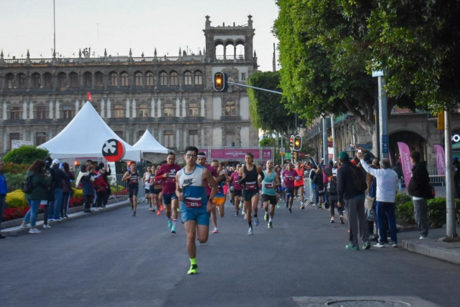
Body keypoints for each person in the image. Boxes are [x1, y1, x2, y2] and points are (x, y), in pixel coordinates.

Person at [176, 146, 217, 275]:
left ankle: (200, 238)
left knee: (203, 238)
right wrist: (178, 194)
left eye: (194, 156)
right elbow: (177, 189)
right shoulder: (179, 174)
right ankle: (193, 264)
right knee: (190, 236)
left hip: (201, 208)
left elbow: (214, 186)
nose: (191, 158)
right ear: (184, 157)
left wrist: (210, 202)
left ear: (197, 157)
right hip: (187, 208)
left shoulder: (204, 172)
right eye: (189, 155)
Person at [358, 152, 399, 248]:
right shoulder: (394, 174)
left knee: (380, 221)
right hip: (391, 200)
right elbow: (396, 184)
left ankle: (381, 241)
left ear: (381, 166)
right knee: (391, 220)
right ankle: (394, 241)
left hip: (381, 200)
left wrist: (361, 159)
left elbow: (367, 168)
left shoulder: (379, 173)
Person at [337, 151, 371, 251]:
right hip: (361, 195)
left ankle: (354, 243)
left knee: (352, 221)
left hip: (350, 197)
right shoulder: (355, 167)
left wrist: (339, 200)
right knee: (362, 218)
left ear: (340, 160)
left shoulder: (341, 170)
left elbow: (340, 186)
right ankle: (366, 240)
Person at [20, 160, 52, 234]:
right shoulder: (39, 175)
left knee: (32, 209)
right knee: (34, 210)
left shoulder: (29, 173)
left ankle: (24, 223)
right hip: (36, 194)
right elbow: (46, 184)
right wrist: (49, 177)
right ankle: (32, 227)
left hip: (28, 193)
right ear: (40, 166)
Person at [155, 153, 182, 233]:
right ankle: (169, 219)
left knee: (174, 207)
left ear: (175, 159)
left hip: (175, 190)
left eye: (173, 158)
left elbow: (183, 176)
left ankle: (174, 226)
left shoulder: (178, 167)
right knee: (168, 210)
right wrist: (162, 176)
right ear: (167, 159)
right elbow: (156, 177)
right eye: (169, 158)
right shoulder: (163, 167)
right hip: (166, 190)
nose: (171, 160)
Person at [239, 152, 264, 235]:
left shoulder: (257, 168)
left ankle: (256, 215)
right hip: (246, 190)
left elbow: (262, 175)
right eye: (246, 158)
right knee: (248, 211)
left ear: (252, 159)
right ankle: (250, 227)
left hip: (254, 190)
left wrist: (260, 180)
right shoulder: (242, 169)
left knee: (254, 206)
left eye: (249, 158)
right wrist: (243, 178)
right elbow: (239, 182)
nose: (247, 159)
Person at [408, 151, 430, 239]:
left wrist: (412, 189)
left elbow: (417, 183)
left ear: (413, 159)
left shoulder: (418, 169)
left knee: (419, 215)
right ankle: (423, 232)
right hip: (420, 194)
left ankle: (423, 233)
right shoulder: (421, 168)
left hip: (418, 195)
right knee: (420, 214)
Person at [260, 160, 280, 228]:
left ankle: (270, 221)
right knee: (265, 206)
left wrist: (275, 185)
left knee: (272, 208)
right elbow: (258, 181)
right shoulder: (262, 173)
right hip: (264, 192)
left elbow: (278, 183)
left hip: (272, 193)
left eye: (271, 163)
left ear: (272, 165)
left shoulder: (275, 174)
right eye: (268, 163)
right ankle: (266, 213)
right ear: (266, 164)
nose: (269, 164)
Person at [210, 160, 227, 234]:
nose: (214, 168)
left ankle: (218, 207)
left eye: (216, 166)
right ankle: (215, 227)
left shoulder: (221, 174)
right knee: (213, 212)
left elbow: (228, 180)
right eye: (213, 166)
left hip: (220, 195)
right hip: (212, 196)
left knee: (221, 214)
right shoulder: (207, 174)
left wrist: (224, 178)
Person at [0, 160, 7, 238]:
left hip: (2, 195)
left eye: (2, 164)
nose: (1, 166)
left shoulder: (3, 174)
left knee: (0, 215)